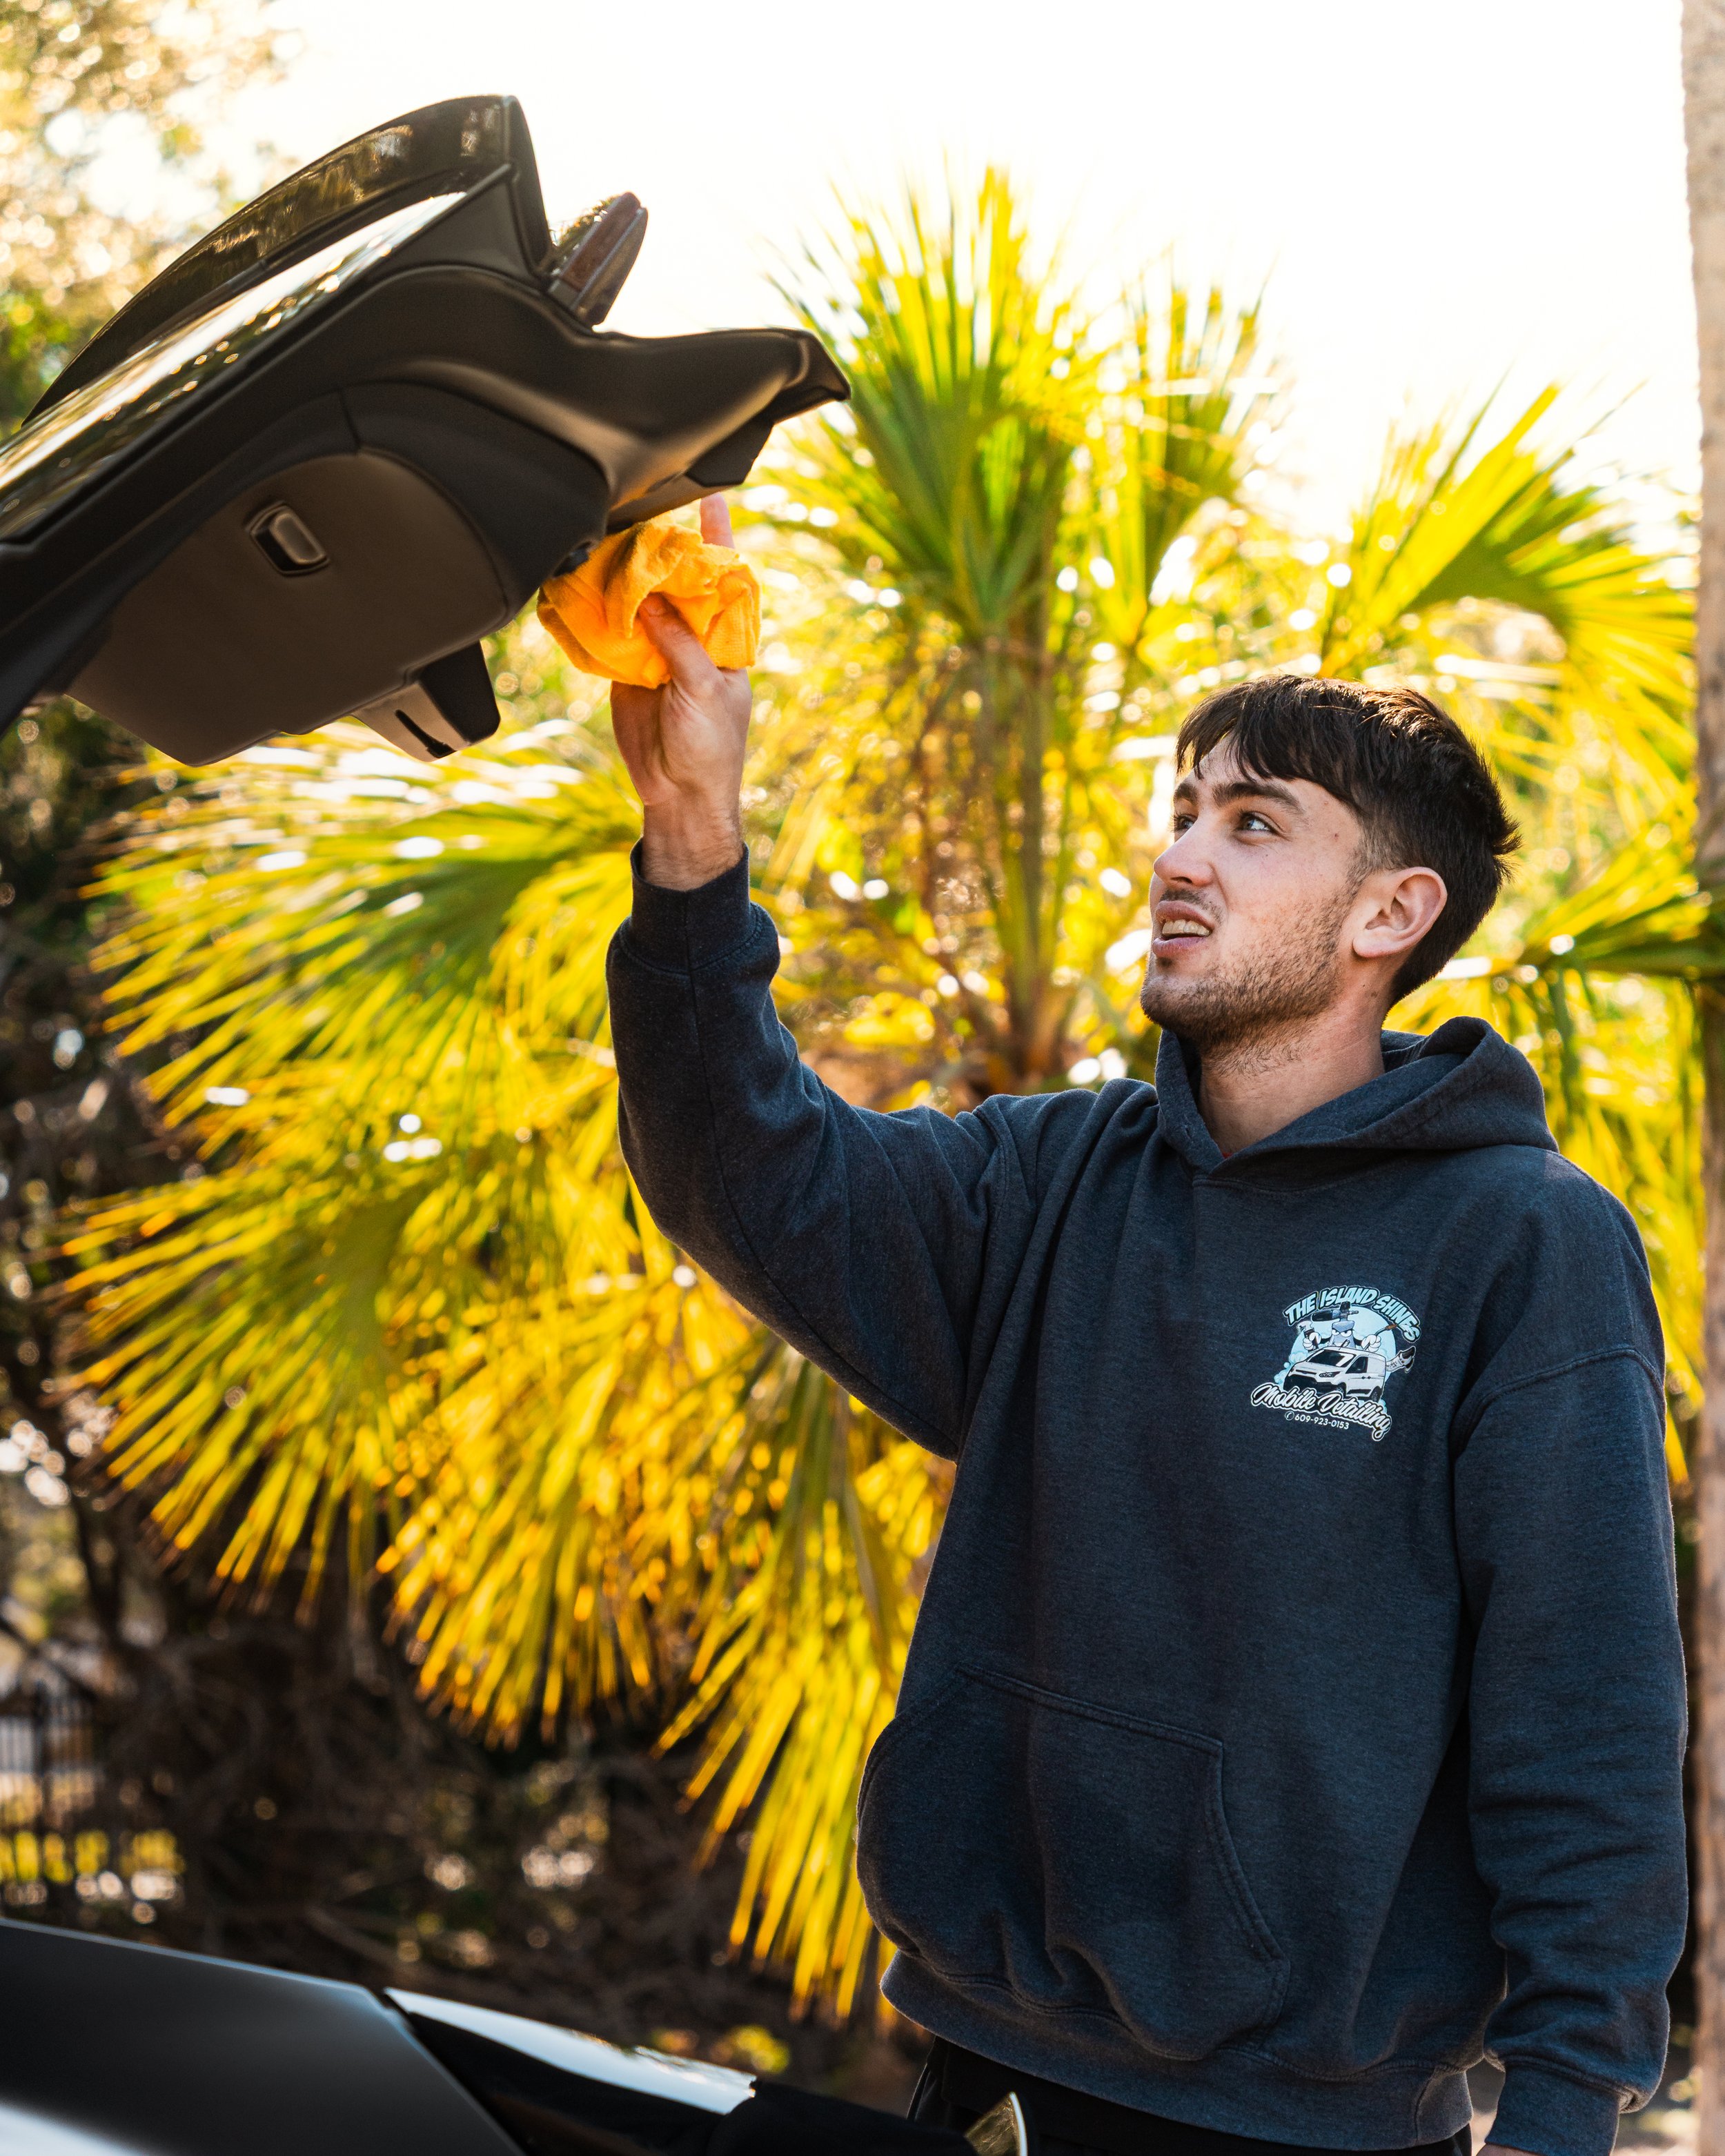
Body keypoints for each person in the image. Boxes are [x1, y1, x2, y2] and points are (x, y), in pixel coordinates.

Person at [604, 497, 1687, 2156]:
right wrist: (691, 835)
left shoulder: (1521, 1244)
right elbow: (743, 1179)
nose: (1178, 855)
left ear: (1386, 915)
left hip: (1297, 2126)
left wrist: (1562, 2112)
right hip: (980, 2065)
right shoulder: (1054, 1176)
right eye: (1183, 811)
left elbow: (1587, 1707)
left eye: (1252, 824)